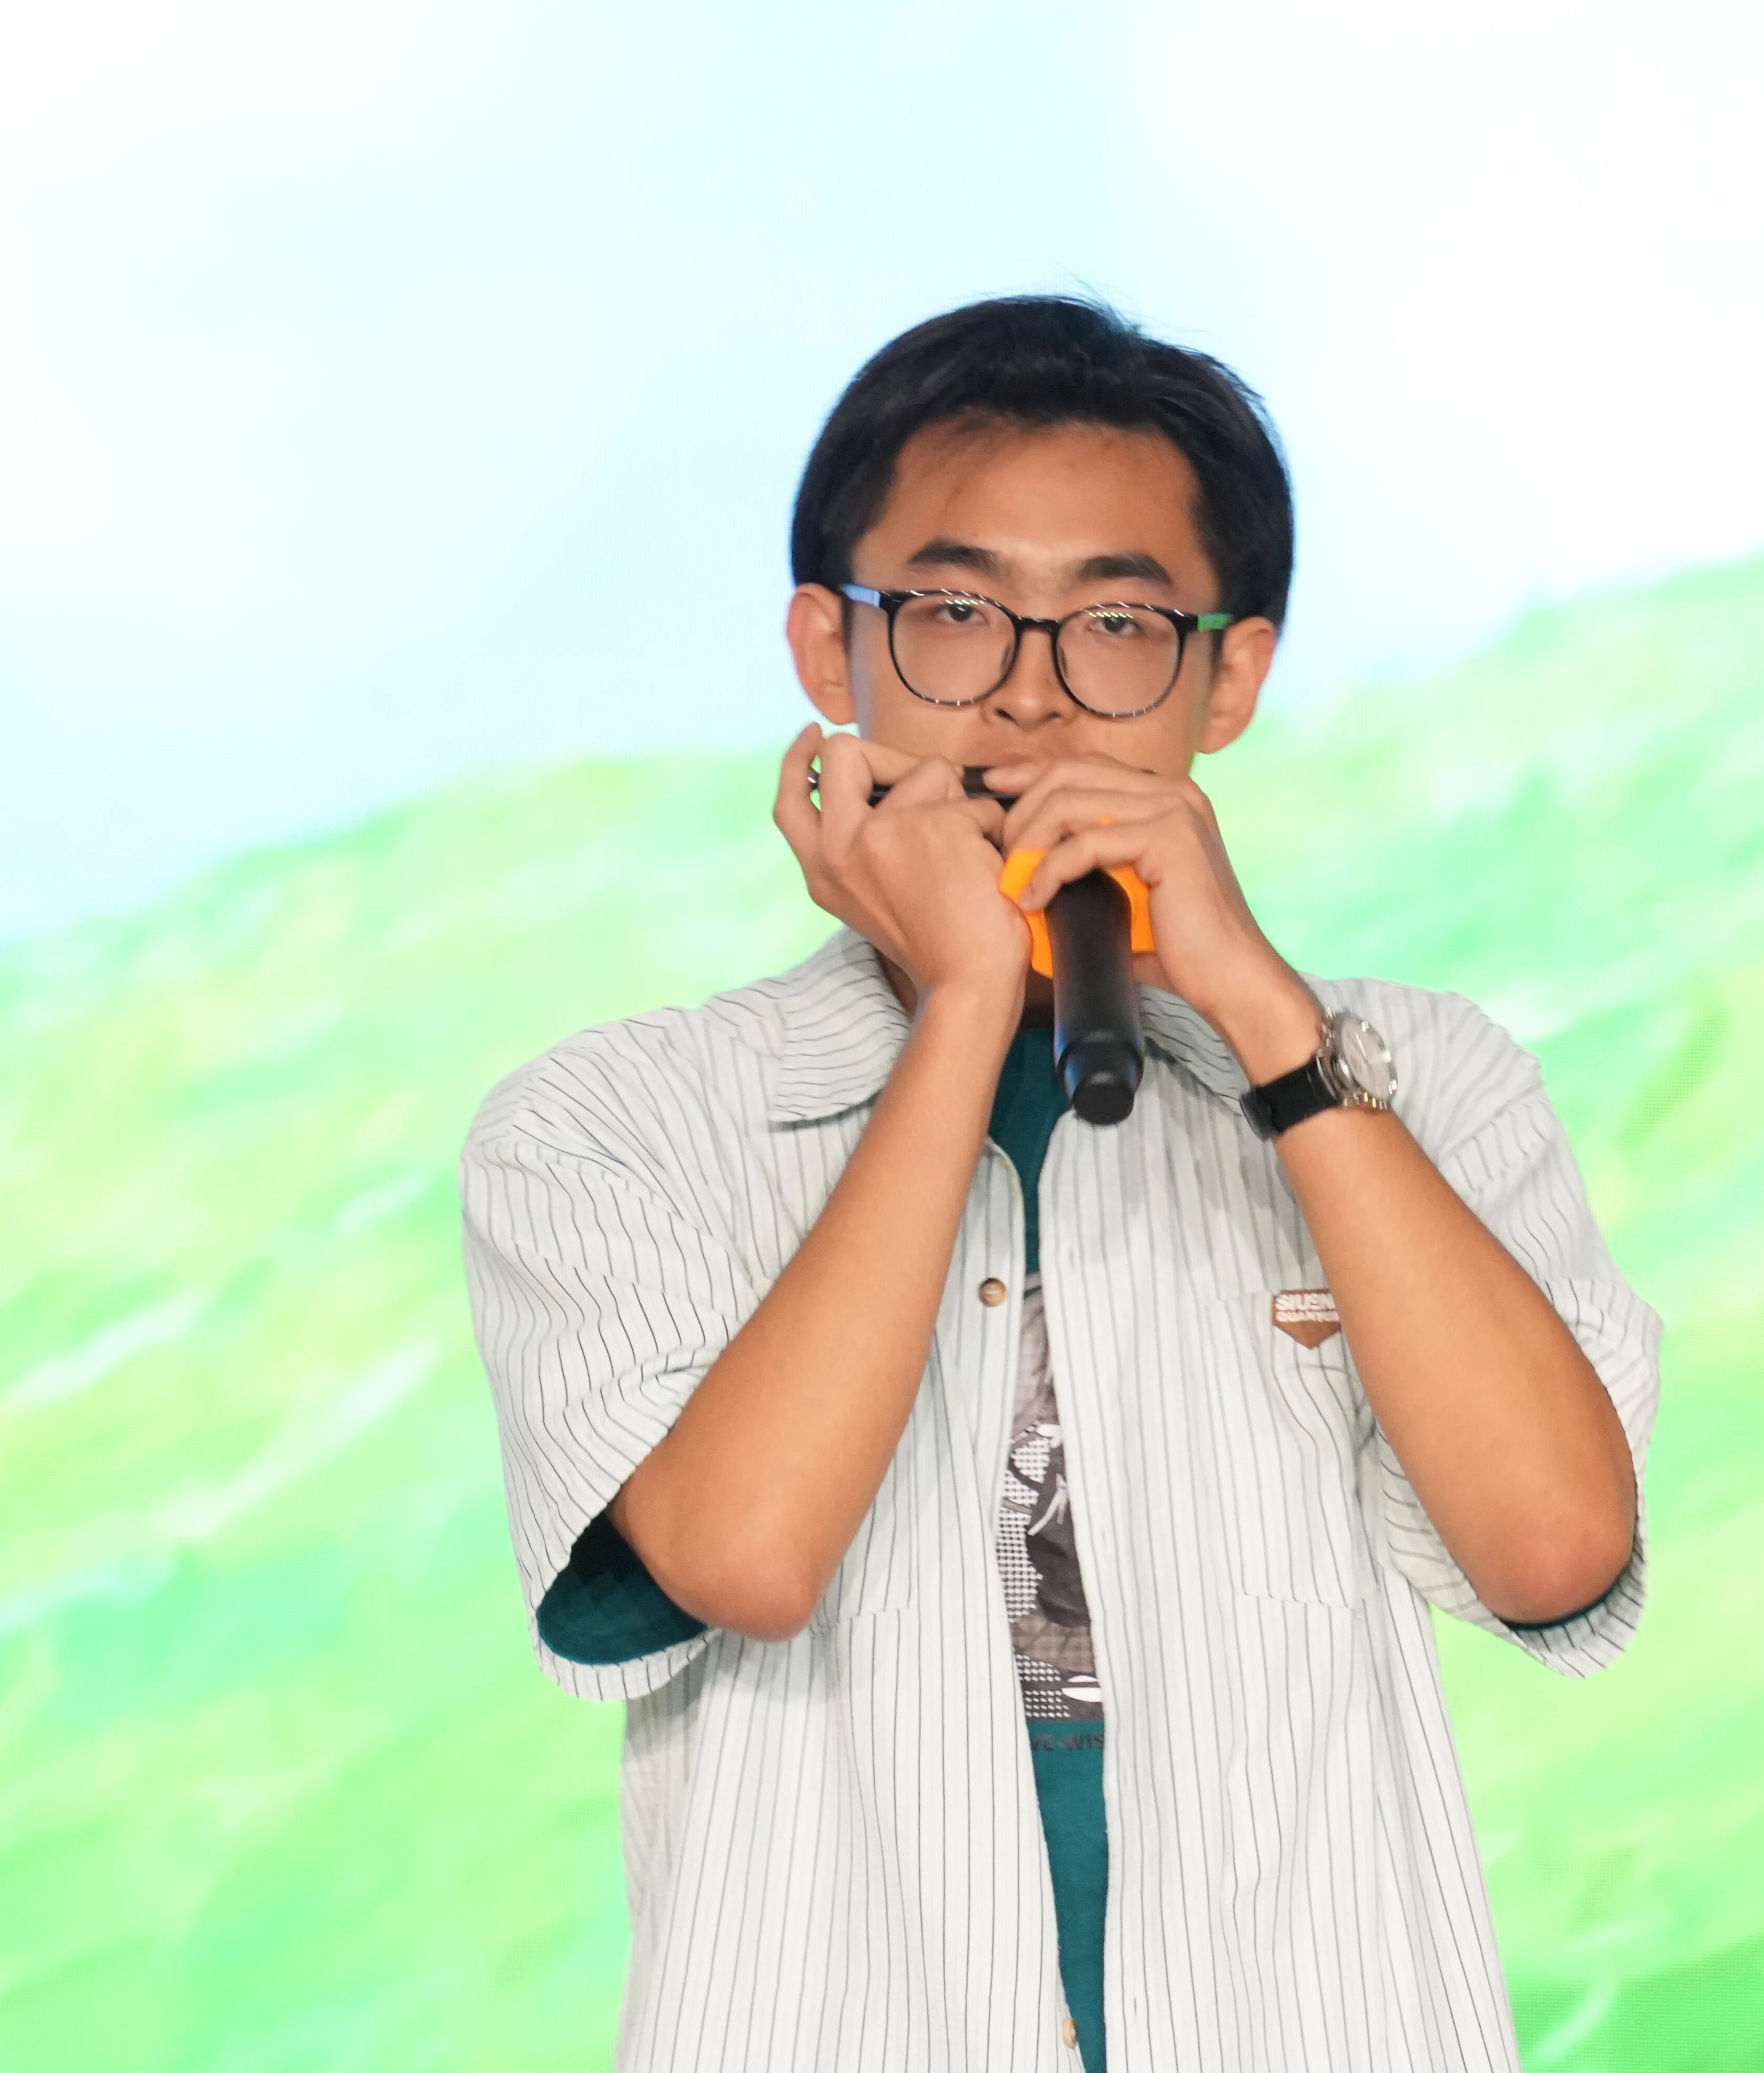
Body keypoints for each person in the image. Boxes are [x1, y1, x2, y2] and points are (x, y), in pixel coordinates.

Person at [459, 295, 1661, 2073]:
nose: (1029, 691)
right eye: (955, 614)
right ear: (829, 644)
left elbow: (1552, 1551)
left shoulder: (1424, 1076)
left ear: (1227, 678)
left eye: (1114, 623)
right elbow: (746, 1552)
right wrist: (962, 1005)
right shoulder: (619, 1119)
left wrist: (1267, 1020)